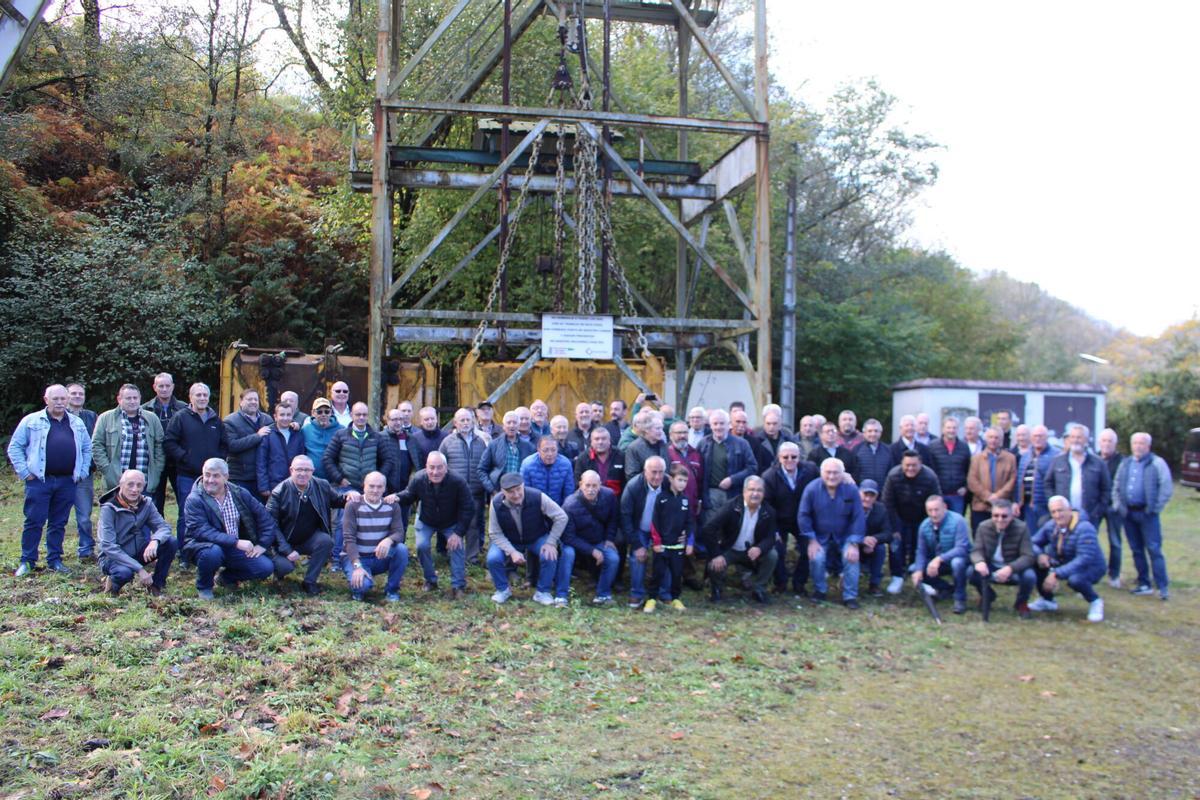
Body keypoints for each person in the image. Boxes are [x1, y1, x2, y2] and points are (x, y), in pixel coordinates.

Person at [8, 384, 93, 576]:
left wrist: (82, 471)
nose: (60, 402)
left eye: (63, 399)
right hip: (39, 481)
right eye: (55, 399)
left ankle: (54, 559)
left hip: (67, 482)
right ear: (46, 400)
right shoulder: (31, 421)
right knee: (34, 520)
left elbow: (87, 448)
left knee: (58, 522)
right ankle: (27, 561)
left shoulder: (76, 423)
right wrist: (25, 472)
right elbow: (15, 447)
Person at [182, 458, 279, 600]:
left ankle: (225, 578)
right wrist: (236, 542)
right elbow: (201, 531)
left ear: (226, 477)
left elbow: (266, 519)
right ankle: (205, 586)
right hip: (203, 545)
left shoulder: (240, 493)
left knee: (265, 567)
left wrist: (262, 545)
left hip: (234, 547)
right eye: (207, 475)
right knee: (213, 553)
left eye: (216, 475)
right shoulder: (194, 499)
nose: (210, 480)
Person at [265, 455, 353, 595]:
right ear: (291, 470)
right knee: (285, 567)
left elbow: (339, 501)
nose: (303, 473)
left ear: (313, 471)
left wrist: (349, 495)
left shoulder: (322, 485)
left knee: (326, 541)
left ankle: (310, 581)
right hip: (283, 542)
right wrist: (287, 550)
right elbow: (271, 525)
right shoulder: (279, 492)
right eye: (299, 469)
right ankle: (278, 575)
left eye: (307, 470)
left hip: (309, 539)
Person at [396, 452, 474, 598]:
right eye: (431, 468)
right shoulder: (419, 478)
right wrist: (395, 497)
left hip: (451, 521)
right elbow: (409, 495)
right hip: (426, 519)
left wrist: (458, 533)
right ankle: (430, 580)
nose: (435, 472)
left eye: (439, 468)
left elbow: (468, 507)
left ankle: (458, 586)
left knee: (457, 547)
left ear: (446, 467)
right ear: (426, 467)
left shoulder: (458, 481)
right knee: (421, 546)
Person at [486, 473, 571, 606]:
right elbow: (494, 533)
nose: (516, 494)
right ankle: (503, 589)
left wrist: (551, 541)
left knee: (550, 555)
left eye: (519, 489)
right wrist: (511, 551)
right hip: (509, 539)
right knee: (493, 558)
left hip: (536, 537)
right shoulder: (496, 503)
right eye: (510, 492)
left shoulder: (537, 496)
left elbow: (561, 517)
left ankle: (543, 592)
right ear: (503, 492)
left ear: (523, 486)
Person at [1112, 432, 1174, 600]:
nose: (1138, 446)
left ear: (1148, 446)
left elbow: (1166, 488)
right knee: (1136, 550)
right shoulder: (1125, 463)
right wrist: (1119, 506)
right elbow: (1116, 485)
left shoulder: (1157, 463)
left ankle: (1162, 587)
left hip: (1148, 515)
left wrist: (1154, 508)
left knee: (1154, 549)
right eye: (1135, 443)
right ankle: (1144, 583)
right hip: (1128, 514)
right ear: (1131, 445)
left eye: (1142, 443)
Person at [97, 469, 178, 596]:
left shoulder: (146, 503)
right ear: (121, 484)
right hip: (112, 558)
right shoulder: (109, 508)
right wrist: (139, 569)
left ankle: (156, 586)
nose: (135, 489)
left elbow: (164, 527)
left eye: (139, 485)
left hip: (137, 551)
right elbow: (108, 546)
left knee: (170, 542)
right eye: (130, 484)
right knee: (124, 573)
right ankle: (113, 588)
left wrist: (155, 541)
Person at [163, 383, 228, 543]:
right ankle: (185, 551)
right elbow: (169, 442)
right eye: (198, 395)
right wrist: (185, 458)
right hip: (188, 475)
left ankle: (207, 546)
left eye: (205, 395)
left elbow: (224, 444)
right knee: (186, 514)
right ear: (190, 398)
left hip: (212, 479)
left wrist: (218, 459)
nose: (202, 398)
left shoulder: (215, 419)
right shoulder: (180, 417)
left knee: (212, 512)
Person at [799, 458, 865, 608]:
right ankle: (820, 590)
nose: (832, 476)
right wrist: (811, 540)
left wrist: (854, 542)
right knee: (817, 557)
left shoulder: (851, 489)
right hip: (819, 536)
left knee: (851, 558)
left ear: (842, 474)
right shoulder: (812, 489)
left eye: (836, 473)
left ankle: (850, 596)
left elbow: (858, 516)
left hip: (846, 535)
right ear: (822, 473)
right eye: (828, 472)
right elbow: (803, 515)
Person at [702, 475, 778, 604]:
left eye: (759, 490)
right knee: (714, 563)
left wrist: (760, 548)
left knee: (772, 555)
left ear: (764, 493)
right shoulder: (731, 506)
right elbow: (708, 529)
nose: (755, 494)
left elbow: (770, 537)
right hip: (729, 549)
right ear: (744, 491)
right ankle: (717, 589)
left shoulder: (769, 511)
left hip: (751, 551)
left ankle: (759, 589)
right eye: (751, 489)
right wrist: (716, 554)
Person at [1030, 495, 1107, 622]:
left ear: (1069, 509)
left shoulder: (1085, 528)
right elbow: (1033, 543)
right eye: (1053, 512)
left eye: (1060, 510)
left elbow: (1084, 558)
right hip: (1064, 562)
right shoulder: (1050, 526)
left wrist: (1056, 574)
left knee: (1075, 579)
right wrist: (1040, 555)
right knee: (1034, 562)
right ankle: (1047, 600)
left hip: (1091, 567)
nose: (1057, 515)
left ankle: (1095, 601)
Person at [881, 450, 943, 592]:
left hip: (922, 516)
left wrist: (929, 522)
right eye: (907, 465)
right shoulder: (893, 475)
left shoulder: (930, 477)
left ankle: (923, 576)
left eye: (914, 465)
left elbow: (936, 500)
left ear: (920, 464)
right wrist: (895, 528)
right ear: (902, 464)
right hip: (898, 515)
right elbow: (887, 502)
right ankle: (897, 576)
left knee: (922, 545)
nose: (910, 468)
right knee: (896, 545)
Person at [343, 471, 409, 602]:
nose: (375, 490)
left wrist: (389, 540)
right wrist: (357, 566)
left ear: (384, 488)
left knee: (401, 549)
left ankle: (392, 590)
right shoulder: (353, 505)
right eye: (371, 486)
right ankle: (360, 585)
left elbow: (399, 533)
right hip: (357, 558)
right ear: (364, 486)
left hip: (379, 556)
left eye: (379, 487)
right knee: (363, 586)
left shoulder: (392, 506)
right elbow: (349, 538)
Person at [762, 441, 817, 596]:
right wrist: (773, 530)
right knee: (777, 549)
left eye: (794, 456)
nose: (790, 460)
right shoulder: (770, 476)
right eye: (785, 457)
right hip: (779, 519)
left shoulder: (810, 470)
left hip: (803, 519)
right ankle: (781, 583)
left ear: (799, 457)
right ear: (779, 458)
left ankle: (800, 583)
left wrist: (845, 475)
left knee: (808, 549)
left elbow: (825, 479)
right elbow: (766, 505)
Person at [969, 499, 1036, 619]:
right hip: (991, 565)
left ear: (1012, 516)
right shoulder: (983, 527)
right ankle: (987, 596)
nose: (1000, 519)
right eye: (996, 515)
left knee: (1029, 577)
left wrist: (1010, 568)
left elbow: (1028, 556)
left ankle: (1021, 603)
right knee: (970, 572)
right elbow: (976, 550)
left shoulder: (1022, 528)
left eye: (1004, 516)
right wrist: (979, 562)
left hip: (1013, 566)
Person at [562, 471, 621, 604]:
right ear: (580, 485)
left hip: (600, 539)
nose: (591, 489)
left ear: (600, 485)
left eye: (595, 486)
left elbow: (613, 519)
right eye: (587, 485)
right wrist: (592, 551)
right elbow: (568, 537)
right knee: (568, 554)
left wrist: (609, 539)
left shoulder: (609, 495)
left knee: (613, 558)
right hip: (577, 542)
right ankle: (562, 594)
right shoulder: (570, 505)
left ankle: (603, 594)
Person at [439, 408, 489, 562]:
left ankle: (472, 556)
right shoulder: (447, 442)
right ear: (455, 423)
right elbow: (440, 464)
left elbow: (486, 465)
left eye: (468, 420)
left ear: (473, 421)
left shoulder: (481, 441)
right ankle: (452, 554)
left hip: (475, 491)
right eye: (462, 420)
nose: (466, 423)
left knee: (473, 524)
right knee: (452, 524)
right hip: (454, 492)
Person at [645, 463, 696, 613]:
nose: (682, 484)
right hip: (662, 546)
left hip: (678, 547)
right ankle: (652, 598)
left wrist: (690, 543)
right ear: (671, 479)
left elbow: (690, 523)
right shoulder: (661, 498)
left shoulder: (685, 500)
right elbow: (654, 522)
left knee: (677, 574)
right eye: (679, 480)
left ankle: (676, 598)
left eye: (685, 481)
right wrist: (656, 542)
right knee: (658, 573)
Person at [909, 495, 971, 614]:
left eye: (936, 509)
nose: (933, 514)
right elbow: (921, 551)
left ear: (945, 507)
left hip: (959, 559)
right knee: (914, 568)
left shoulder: (958, 521)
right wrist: (918, 570)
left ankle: (960, 599)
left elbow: (962, 548)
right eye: (930, 510)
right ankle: (946, 588)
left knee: (957, 563)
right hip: (937, 563)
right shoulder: (924, 526)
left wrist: (940, 559)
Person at [619, 457, 667, 609]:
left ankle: (664, 593)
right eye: (653, 472)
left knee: (667, 554)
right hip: (639, 528)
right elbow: (625, 517)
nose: (657, 477)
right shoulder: (633, 486)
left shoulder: (668, 485)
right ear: (645, 472)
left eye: (661, 472)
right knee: (637, 556)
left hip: (661, 529)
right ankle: (637, 593)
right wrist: (637, 544)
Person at [1045, 424, 1111, 528]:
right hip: (1063, 516)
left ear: (1086, 440)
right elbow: (1048, 484)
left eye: (1079, 437)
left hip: (1089, 516)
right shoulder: (1057, 461)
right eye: (1073, 437)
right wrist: (1055, 505)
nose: (1075, 440)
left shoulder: (1098, 463)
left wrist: (1098, 511)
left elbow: (1106, 489)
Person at [700, 409, 758, 522]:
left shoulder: (741, 444)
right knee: (712, 529)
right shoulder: (703, 444)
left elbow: (752, 467)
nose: (718, 427)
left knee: (730, 529)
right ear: (710, 426)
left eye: (722, 423)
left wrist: (732, 479)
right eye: (715, 424)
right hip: (711, 495)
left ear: (729, 425)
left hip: (733, 494)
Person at [142, 373, 188, 513]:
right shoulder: (144, 409)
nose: (164, 389)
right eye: (161, 386)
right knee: (156, 503)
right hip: (155, 461)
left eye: (167, 385)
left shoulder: (184, 408)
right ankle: (159, 534)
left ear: (173, 387)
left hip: (179, 461)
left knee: (184, 501)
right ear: (154, 387)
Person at [66, 382, 99, 559]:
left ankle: (86, 549)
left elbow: (96, 442)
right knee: (57, 516)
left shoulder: (91, 416)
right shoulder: (58, 416)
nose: (77, 396)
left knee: (84, 515)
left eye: (81, 394)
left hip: (84, 474)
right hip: (60, 473)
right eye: (73, 393)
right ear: (66, 396)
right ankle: (54, 551)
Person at [222, 389, 273, 499]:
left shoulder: (267, 419)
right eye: (249, 399)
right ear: (241, 402)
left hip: (262, 477)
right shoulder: (230, 421)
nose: (253, 402)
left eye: (256, 399)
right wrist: (257, 436)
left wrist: (293, 424)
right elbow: (232, 446)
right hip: (240, 477)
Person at [966, 427, 1017, 532]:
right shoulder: (976, 459)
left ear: (1001, 440)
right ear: (986, 439)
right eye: (991, 437)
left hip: (1003, 507)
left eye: (996, 438)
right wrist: (988, 496)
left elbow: (1012, 480)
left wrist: (998, 496)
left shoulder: (1010, 458)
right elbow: (972, 480)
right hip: (981, 506)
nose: (993, 440)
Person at [479, 410, 536, 496]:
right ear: (503, 426)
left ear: (518, 426)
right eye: (509, 422)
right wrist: (492, 490)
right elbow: (481, 470)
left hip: (522, 492)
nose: (511, 425)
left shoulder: (529, 447)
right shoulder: (494, 445)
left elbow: (533, 471)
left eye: (514, 422)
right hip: (499, 492)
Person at [256, 402, 306, 498]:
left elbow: (302, 457)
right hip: (274, 485)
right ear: (275, 416)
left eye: (288, 415)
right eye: (282, 415)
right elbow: (261, 462)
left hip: (294, 484)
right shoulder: (268, 434)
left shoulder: (297, 434)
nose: (285, 418)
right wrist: (263, 486)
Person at [858, 479, 898, 597]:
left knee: (880, 549)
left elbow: (888, 533)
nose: (868, 499)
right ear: (859, 493)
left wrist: (874, 540)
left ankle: (874, 584)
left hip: (872, 546)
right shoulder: (851, 507)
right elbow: (844, 530)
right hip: (854, 543)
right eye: (865, 494)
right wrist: (862, 540)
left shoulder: (881, 509)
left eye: (872, 495)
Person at [1096, 428, 1125, 588]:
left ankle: (1114, 575)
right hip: (1097, 506)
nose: (1106, 444)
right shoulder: (1092, 458)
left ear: (1115, 444)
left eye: (1110, 441)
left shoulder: (1122, 461)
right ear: (1099, 442)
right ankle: (1093, 571)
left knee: (1115, 542)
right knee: (1090, 539)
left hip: (1113, 508)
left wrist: (1118, 504)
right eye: (1104, 441)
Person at [929, 417, 971, 515]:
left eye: (954, 428)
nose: (951, 430)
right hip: (939, 494)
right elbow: (930, 469)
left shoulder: (964, 447)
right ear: (943, 429)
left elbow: (969, 470)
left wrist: (965, 487)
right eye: (948, 428)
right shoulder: (933, 446)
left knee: (956, 524)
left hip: (957, 495)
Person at [1017, 424, 1058, 526]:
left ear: (1047, 438)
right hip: (1027, 506)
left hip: (1045, 506)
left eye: (1041, 436)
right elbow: (1019, 480)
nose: (1038, 439)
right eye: (1035, 436)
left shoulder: (1056, 455)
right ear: (1031, 438)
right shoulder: (1025, 456)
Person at [520, 436, 574, 506]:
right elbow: (525, 492)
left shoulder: (566, 464)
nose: (550, 454)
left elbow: (568, 492)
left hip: (558, 506)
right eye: (545, 450)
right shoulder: (527, 464)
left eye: (553, 450)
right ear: (538, 450)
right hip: (534, 506)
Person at [575, 425, 626, 496]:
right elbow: (578, 484)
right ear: (591, 442)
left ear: (609, 441)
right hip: (591, 501)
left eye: (604, 439)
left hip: (616, 501)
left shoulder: (621, 456)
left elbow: (626, 482)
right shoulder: (582, 458)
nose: (600, 442)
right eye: (597, 439)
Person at [300, 398, 341, 482]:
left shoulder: (341, 430)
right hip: (311, 480)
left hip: (335, 481)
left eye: (327, 411)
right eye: (319, 412)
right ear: (313, 413)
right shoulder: (305, 430)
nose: (323, 414)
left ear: (331, 413)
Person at [380, 405, 414, 499]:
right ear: (387, 420)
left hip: (405, 491)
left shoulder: (411, 439)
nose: (398, 422)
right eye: (394, 419)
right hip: (384, 490)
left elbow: (416, 464)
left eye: (400, 419)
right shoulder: (379, 438)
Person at [625, 411, 669, 480]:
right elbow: (631, 475)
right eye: (658, 428)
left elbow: (667, 470)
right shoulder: (634, 448)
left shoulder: (663, 445)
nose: (661, 431)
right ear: (647, 430)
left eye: (662, 428)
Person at [851, 418, 893, 487]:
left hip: (883, 492)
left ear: (880, 433)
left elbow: (891, 473)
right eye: (870, 431)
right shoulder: (857, 450)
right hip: (863, 492)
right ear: (864, 433)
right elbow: (854, 473)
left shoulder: (888, 450)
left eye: (876, 431)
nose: (873, 434)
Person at [407, 406, 447, 471]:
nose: (430, 422)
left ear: (437, 419)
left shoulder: (446, 437)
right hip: (422, 476)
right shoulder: (414, 438)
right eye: (426, 419)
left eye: (432, 418)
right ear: (421, 422)